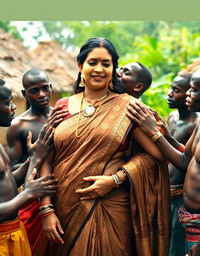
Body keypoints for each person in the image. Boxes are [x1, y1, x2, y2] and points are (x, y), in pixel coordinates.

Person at [39, 37, 170, 256]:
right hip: (62, 211)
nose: (99, 69)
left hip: (108, 209)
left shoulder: (128, 107)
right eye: (92, 63)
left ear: (113, 69)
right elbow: (46, 159)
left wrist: (115, 179)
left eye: (106, 64)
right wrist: (46, 209)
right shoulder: (62, 106)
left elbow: (158, 157)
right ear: (81, 66)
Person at [126, 65, 200, 256]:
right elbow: (185, 161)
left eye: (194, 89)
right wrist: (163, 135)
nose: (188, 94)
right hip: (192, 225)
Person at [0, 76, 57, 256]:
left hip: (14, 232)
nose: (14, 107)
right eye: (8, 103)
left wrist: (34, 158)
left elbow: (6, 182)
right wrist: (28, 193)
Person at [6, 68, 67, 254]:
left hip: (66, 190)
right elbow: (12, 168)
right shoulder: (18, 125)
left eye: (45, 88)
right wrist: (36, 157)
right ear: (25, 93)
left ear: (50, 87)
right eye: (34, 90)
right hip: (37, 198)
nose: (41, 94)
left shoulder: (63, 116)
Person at [166, 73, 200, 256]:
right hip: (165, 193)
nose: (169, 94)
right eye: (171, 88)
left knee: (177, 245)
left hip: (181, 196)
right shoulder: (172, 117)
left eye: (176, 90)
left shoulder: (197, 123)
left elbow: (190, 163)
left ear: (190, 93)